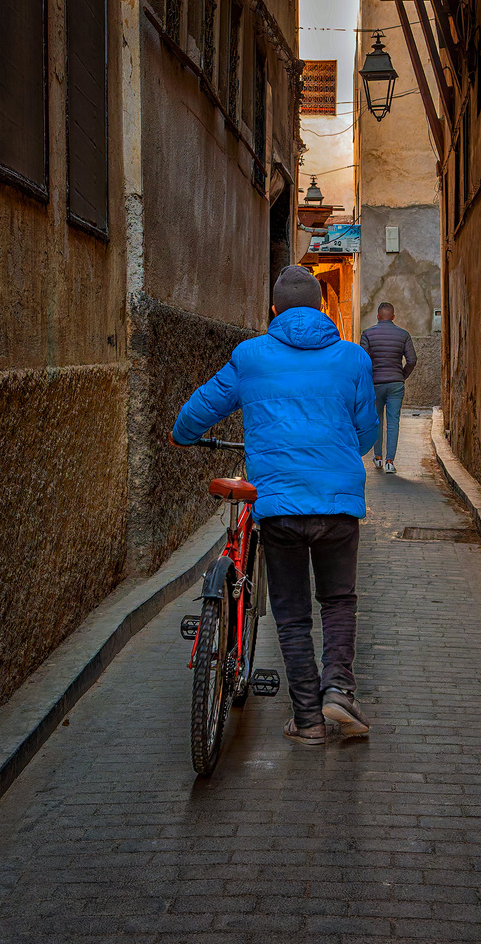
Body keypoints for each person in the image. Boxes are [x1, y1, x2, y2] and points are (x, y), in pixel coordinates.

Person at [170, 265, 378, 746]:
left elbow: (199, 410)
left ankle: (307, 720)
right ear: (323, 308)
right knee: (339, 600)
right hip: (337, 504)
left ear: (274, 310)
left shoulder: (250, 356)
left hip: (280, 507)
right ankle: (339, 690)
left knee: (291, 612)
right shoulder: (353, 359)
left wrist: (184, 436)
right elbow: (365, 431)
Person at [359, 302, 417, 473]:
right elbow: (412, 360)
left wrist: (368, 378)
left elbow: (363, 360)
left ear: (378, 317)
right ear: (393, 317)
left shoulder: (368, 334)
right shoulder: (403, 334)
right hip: (395, 384)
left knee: (377, 421)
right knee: (393, 422)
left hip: (375, 384)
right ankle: (390, 461)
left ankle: (377, 457)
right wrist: (402, 375)